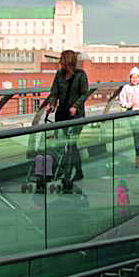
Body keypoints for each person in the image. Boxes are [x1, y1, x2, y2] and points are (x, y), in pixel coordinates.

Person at [40, 49, 88, 191]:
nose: (59, 62)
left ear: (68, 61)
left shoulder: (81, 75)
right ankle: (78, 171)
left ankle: (67, 177)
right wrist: (52, 104)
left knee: (70, 145)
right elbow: (54, 92)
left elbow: (84, 93)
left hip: (76, 116)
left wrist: (76, 106)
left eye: (61, 60)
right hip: (61, 115)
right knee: (68, 145)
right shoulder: (59, 75)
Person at [118, 66, 139, 167]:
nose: (134, 79)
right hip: (131, 116)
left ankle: (138, 158)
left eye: (136, 77)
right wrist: (128, 105)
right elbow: (121, 100)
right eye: (132, 77)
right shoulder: (126, 88)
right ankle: (138, 157)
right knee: (136, 137)